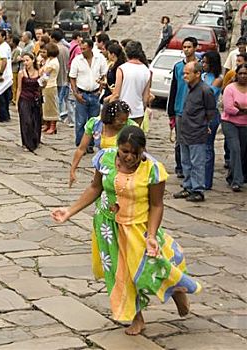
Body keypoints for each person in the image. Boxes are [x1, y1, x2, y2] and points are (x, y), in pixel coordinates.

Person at [52, 125, 201, 336]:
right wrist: (69, 211)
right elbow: (95, 188)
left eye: (135, 153)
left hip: (139, 229)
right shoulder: (105, 160)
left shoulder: (152, 169)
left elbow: (157, 205)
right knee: (121, 275)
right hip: (109, 228)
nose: (129, 157)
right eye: (125, 151)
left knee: (151, 269)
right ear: (118, 147)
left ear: (143, 151)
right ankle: (136, 317)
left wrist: (151, 235)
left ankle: (177, 290)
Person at [173, 62, 216, 203]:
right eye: (184, 73)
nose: (184, 76)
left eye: (187, 73)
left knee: (197, 162)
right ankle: (188, 186)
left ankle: (198, 190)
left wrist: (204, 124)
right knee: (186, 161)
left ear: (197, 74)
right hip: (185, 131)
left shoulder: (205, 90)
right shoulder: (188, 88)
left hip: (197, 132)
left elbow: (211, 111)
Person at [69, 100, 137, 186]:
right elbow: (81, 149)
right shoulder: (95, 124)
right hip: (102, 167)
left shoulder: (131, 128)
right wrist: (72, 170)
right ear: (111, 118)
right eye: (120, 120)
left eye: (125, 120)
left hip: (123, 168)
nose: (123, 122)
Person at [167, 37, 198, 178]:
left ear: (195, 48)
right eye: (184, 47)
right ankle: (180, 166)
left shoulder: (199, 67)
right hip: (179, 107)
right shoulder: (178, 67)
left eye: (189, 47)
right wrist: (171, 111)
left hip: (194, 109)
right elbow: (174, 88)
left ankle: (192, 166)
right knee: (179, 140)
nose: (186, 49)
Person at [69, 39, 108, 149]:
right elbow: (72, 77)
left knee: (94, 121)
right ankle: (80, 144)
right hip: (82, 93)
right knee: (80, 121)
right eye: (81, 49)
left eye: (84, 49)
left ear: (90, 48)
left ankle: (90, 144)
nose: (82, 51)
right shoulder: (77, 60)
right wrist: (76, 93)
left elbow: (103, 74)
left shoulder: (100, 59)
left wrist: (100, 90)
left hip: (95, 94)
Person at [109, 41, 151, 127]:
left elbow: (116, 94)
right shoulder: (147, 71)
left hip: (122, 111)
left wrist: (109, 109)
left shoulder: (122, 69)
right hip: (138, 112)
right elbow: (145, 98)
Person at [221, 63, 247, 192]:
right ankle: (237, 181)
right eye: (241, 73)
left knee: (241, 152)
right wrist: (241, 110)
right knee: (235, 149)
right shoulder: (230, 88)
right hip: (230, 123)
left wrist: (241, 109)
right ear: (236, 74)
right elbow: (229, 108)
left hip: (245, 125)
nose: (243, 76)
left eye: (245, 73)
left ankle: (232, 176)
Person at [201, 51, 223, 190]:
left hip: (210, 114)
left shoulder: (218, 78)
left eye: (206, 62)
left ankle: (206, 180)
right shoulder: (202, 76)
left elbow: (208, 93)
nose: (203, 65)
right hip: (198, 114)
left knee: (208, 147)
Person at [16, 52, 42, 152]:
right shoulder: (21, 73)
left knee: (36, 120)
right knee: (26, 121)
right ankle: (26, 143)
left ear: (33, 60)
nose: (26, 63)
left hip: (35, 99)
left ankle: (35, 140)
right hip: (24, 98)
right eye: (24, 61)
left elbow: (41, 86)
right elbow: (19, 88)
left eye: (27, 60)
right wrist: (17, 102)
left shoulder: (39, 72)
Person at [40, 42, 60, 135]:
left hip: (50, 85)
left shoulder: (53, 63)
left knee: (51, 106)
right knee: (46, 106)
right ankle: (47, 124)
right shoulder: (49, 60)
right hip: (46, 86)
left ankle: (53, 125)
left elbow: (45, 73)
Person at [51, 30, 70, 125]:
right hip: (64, 75)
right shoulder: (66, 49)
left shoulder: (55, 49)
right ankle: (62, 114)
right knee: (62, 97)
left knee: (57, 97)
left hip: (57, 75)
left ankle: (58, 114)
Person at [0, 29, 13, 123]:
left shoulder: (2, 48)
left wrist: (0, 73)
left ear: (4, 37)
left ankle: (3, 115)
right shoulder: (6, 46)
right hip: (8, 74)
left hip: (4, 75)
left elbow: (4, 61)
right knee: (5, 95)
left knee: (0, 95)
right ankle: (6, 114)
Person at [10, 35, 22, 104]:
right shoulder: (13, 49)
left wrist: (8, 61)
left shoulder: (17, 50)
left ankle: (14, 99)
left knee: (14, 85)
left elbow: (14, 60)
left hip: (14, 69)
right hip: (12, 69)